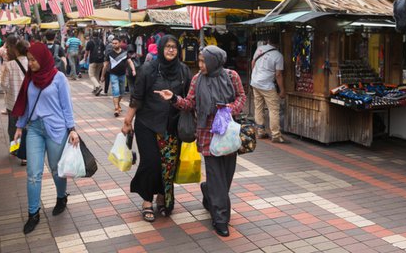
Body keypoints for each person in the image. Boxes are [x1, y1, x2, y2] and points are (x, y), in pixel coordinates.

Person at [156, 46, 246, 237]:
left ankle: (208, 192)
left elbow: (241, 97)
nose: (200, 65)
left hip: (228, 134)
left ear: (215, 61)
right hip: (207, 135)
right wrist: (174, 99)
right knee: (217, 179)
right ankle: (221, 219)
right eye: (199, 61)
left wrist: (229, 108)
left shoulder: (232, 76)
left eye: (204, 61)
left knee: (226, 178)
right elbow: (190, 104)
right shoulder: (197, 79)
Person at [12, 42, 80, 234]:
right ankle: (33, 213)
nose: (31, 63)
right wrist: (19, 126)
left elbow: (67, 106)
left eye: (33, 60)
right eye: (29, 60)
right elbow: (26, 105)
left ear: (42, 58)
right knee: (33, 173)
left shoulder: (59, 78)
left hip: (56, 129)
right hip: (34, 128)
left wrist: (72, 129)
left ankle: (61, 197)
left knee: (56, 168)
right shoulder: (30, 79)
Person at [122, 35, 191, 223]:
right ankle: (146, 201)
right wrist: (128, 120)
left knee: (168, 166)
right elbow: (137, 96)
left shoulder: (183, 71)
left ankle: (163, 197)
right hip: (147, 124)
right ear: (160, 49)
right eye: (167, 47)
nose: (170, 50)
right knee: (151, 162)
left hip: (171, 126)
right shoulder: (148, 69)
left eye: (174, 47)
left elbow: (189, 98)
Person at [0, 36, 29, 165]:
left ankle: (15, 150)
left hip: (13, 102)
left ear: (16, 51)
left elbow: (4, 85)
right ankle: (26, 155)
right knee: (27, 127)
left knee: (13, 127)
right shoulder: (32, 62)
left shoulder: (10, 65)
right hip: (29, 101)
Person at [250, 38, 287, 143]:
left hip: (255, 83)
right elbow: (278, 74)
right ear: (278, 44)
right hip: (267, 85)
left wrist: (256, 75)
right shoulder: (278, 56)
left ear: (268, 41)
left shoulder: (260, 49)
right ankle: (275, 134)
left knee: (258, 107)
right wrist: (282, 90)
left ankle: (260, 131)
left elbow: (253, 63)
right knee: (274, 109)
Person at [101, 36, 137, 117]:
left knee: (122, 92)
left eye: (116, 43)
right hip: (113, 75)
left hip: (122, 75)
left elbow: (130, 62)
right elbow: (105, 65)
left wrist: (133, 70)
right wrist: (102, 76)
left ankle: (118, 104)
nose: (114, 45)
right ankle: (116, 108)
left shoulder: (125, 53)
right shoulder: (109, 54)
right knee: (116, 91)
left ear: (120, 43)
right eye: (113, 43)